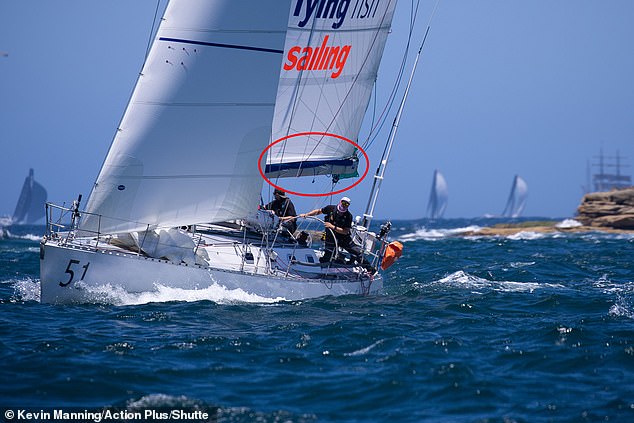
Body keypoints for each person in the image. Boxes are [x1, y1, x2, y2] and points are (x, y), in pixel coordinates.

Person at [289, 196, 368, 266]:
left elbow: (345, 231)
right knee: (328, 255)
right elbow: (318, 211)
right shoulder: (330, 208)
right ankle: (322, 268)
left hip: (343, 237)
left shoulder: (348, 216)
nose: (344, 205)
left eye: (346, 204)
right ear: (340, 202)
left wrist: (332, 226)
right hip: (331, 237)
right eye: (343, 203)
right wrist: (307, 214)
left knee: (357, 252)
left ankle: (370, 269)